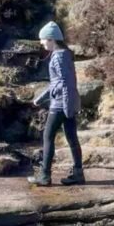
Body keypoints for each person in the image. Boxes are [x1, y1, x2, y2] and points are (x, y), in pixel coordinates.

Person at [28, 21, 85, 187]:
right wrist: (41, 97)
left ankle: (44, 176)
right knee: (72, 138)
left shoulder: (59, 56)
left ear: (52, 39)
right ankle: (78, 173)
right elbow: (57, 83)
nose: (41, 42)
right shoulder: (64, 54)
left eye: (43, 39)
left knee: (48, 137)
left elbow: (66, 83)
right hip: (65, 103)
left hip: (60, 104)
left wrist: (66, 107)